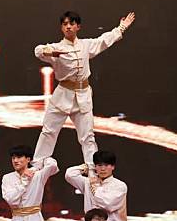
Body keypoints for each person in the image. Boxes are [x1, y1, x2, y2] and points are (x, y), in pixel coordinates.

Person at [32, 10, 135, 171]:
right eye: (65, 24)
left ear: (78, 26)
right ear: (61, 27)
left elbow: (104, 41)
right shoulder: (56, 47)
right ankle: (37, 166)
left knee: (87, 136)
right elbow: (38, 50)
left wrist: (121, 28)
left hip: (83, 95)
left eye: (71, 24)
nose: (68, 27)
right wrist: (51, 52)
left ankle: (93, 169)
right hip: (62, 95)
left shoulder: (86, 45)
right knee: (48, 131)